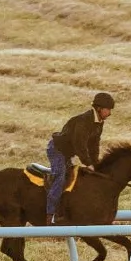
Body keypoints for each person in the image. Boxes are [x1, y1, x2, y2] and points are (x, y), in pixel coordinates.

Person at [46, 93, 114, 223]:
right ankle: (50, 214)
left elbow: (94, 145)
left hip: (67, 153)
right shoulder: (84, 120)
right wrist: (88, 163)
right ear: (99, 108)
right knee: (60, 177)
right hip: (57, 150)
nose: (110, 113)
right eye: (108, 109)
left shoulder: (99, 123)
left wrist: (95, 164)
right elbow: (79, 144)